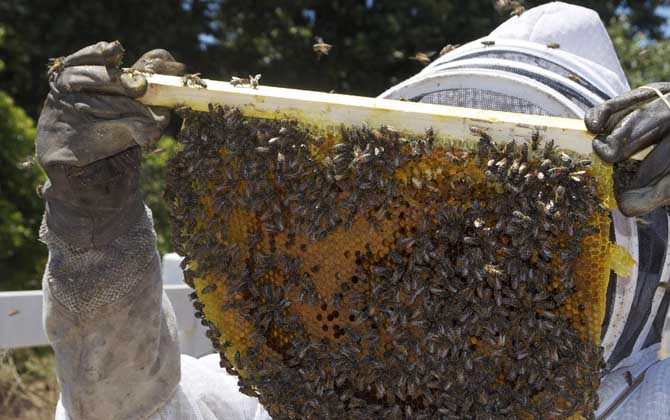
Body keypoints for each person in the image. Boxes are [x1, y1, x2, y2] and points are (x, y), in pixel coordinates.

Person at [36, 3, 669, 420]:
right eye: (426, 210)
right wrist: (94, 235)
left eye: (515, 222)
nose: (438, 270)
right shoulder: (301, 383)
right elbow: (125, 409)